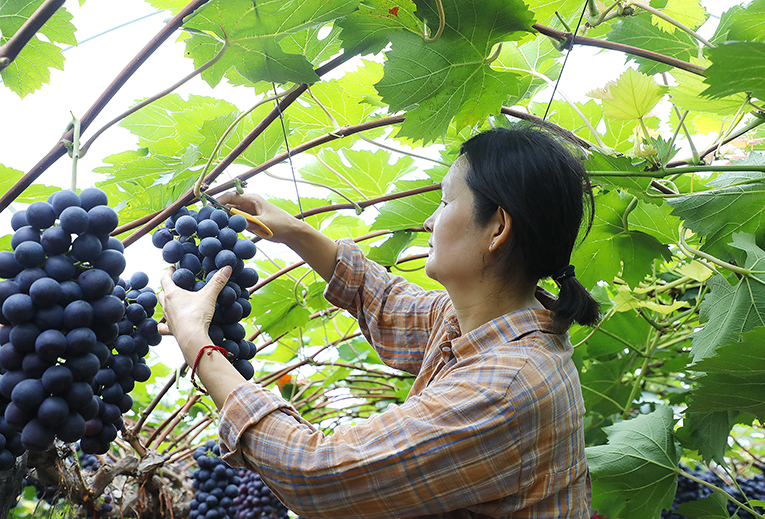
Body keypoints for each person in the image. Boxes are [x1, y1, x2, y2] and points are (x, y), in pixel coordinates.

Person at [159, 125, 600, 518]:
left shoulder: (504, 388)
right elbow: (388, 300)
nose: (429, 220)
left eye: (445, 201)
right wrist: (292, 229)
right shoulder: (484, 325)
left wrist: (197, 341)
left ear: (497, 228)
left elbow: (316, 472)